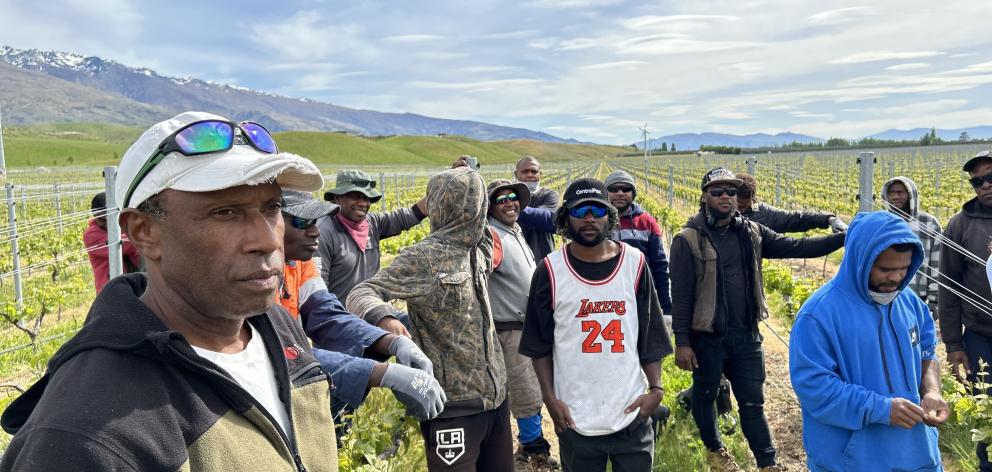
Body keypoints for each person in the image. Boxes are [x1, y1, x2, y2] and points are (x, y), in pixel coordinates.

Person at [1, 111, 339, 470]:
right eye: (225, 212)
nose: (268, 238)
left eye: (271, 208)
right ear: (144, 232)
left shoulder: (272, 323)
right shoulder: (87, 437)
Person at [670, 167, 845, 472]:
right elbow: (682, 296)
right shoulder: (687, 239)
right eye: (717, 191)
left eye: (731, 191)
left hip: (746, 335)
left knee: (753, 402)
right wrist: (682, 341)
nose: (726, 197)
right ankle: (715, 451)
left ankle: (768, 463)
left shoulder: (752, 232)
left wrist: (841, 239)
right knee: (706, 393)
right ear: (704, 196)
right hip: (706, 338)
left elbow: (796, 247)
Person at [346, 165, 513, 471]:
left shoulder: (479, 246)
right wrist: (385, 319)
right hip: (452, 405)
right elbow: (360, 293)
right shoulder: (424, 257)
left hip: (497, 398)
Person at [519, 177, 671, 471]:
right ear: (565, 218)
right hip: (576, 418)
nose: (589, 218)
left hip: (631, 412)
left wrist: (656, 389)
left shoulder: (635, 263)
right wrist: (550, 399)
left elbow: (650, 333)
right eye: (579, 211)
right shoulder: (550, 271)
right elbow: (539, 345)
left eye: (598, 211)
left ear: (610, 217)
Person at [790, 211, 947, 471]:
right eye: (885, 269)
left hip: (918, 454)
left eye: (904, 268)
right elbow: (814, 387)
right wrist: (880, 409)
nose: (896, 278)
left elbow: (927, 352)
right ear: (859, 260)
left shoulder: (910, 303)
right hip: (850, 461)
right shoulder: (818, 315)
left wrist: (931, 390)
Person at [277, 189, 445, 421]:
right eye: (302, 222)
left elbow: (327, 314)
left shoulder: (297, 263)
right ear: (270, 222)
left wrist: (392, 342)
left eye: (315, 222)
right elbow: (278, 353)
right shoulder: (250, 280)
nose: (315, 231)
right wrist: (381, 373)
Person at [485, 179, 556, 470]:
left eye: (513, 197)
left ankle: (530, 443)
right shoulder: (492, 235)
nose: (510, 203)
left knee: (530, 385)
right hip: (509, 327)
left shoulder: (513, 230)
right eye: (501, 200)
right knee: (524, 389)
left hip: (523, 324)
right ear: (490, 207)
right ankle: (533, 448)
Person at [318, 169, 427, 335]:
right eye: (355, 196)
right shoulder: (325, 231)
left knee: (422, 325)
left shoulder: (372, 223)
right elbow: (319, 292)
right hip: (341, 324)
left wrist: (448, 180)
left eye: (366, 197)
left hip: (373, 312)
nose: (363, 203)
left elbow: (410, 215)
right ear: (337, 198)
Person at [939, 149, 992, 471]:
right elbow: (949, 287)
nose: (985, 185)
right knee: (985, 409)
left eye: (991, 177)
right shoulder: (960, 226)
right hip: (981, 336)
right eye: (978, 181)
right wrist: (953, 344)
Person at [604, 170, 673, 323]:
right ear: (606, 193)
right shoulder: (598, 222)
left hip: (643, 297)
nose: (620, 193)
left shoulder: (647, 222)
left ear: (633, 193)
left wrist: (666, 306)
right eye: (614, 189)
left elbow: (660, 265)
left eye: (626, 189)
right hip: (607, 300)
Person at [881, 176, 941, 315]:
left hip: (917, 296)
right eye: (892, 193)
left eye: (900, 192)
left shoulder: (929, 223)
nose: (895, 196)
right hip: (884, 294)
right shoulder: (880, 222)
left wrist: (934, 298)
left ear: (911, 194)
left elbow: (937, 262)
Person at [736, 172, 848, 234]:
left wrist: (829, 219)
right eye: (737, 202)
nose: (740, 208)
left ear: (753, 198)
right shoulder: (719, 215)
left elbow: (797, 218)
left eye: (744, 205)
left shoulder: (763, 214)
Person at [83, 191, 141, 292]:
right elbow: (127, 244)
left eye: (110, 219)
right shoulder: (91, 235)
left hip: (133, 282)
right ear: (94, 215)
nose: (107, 224)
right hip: (108, 289)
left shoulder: (121, 224)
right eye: (102, 220)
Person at [515, 155, 560, 262]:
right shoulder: (510, 195)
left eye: (534, 171)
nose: (530, 175)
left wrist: (506, 208)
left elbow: (547, 219)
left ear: (541, 174)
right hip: (514, 258)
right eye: (525, 171)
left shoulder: (549, 195)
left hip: (542, 259)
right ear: (516, 174)